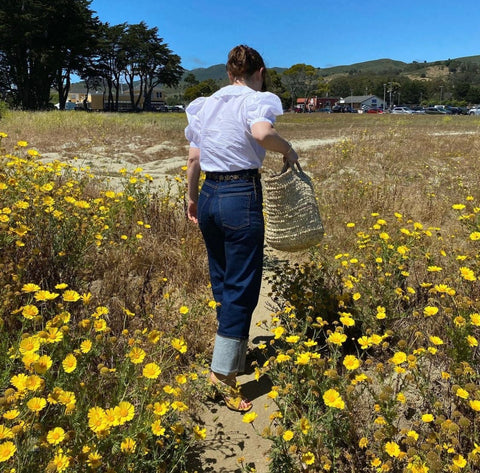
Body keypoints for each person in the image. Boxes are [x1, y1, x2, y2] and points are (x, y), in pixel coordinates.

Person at [185, 45, 298, 412]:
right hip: (240, 193)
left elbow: (194, 157)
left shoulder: (207, 104)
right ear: (259, 71)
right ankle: (222, 374)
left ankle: (229, 352)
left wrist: (191, 198)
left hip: (208, 193)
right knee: (243, 283)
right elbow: (263, 133)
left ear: (228, 72)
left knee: (222, 276)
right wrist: (288, 150)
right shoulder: (255, 99)